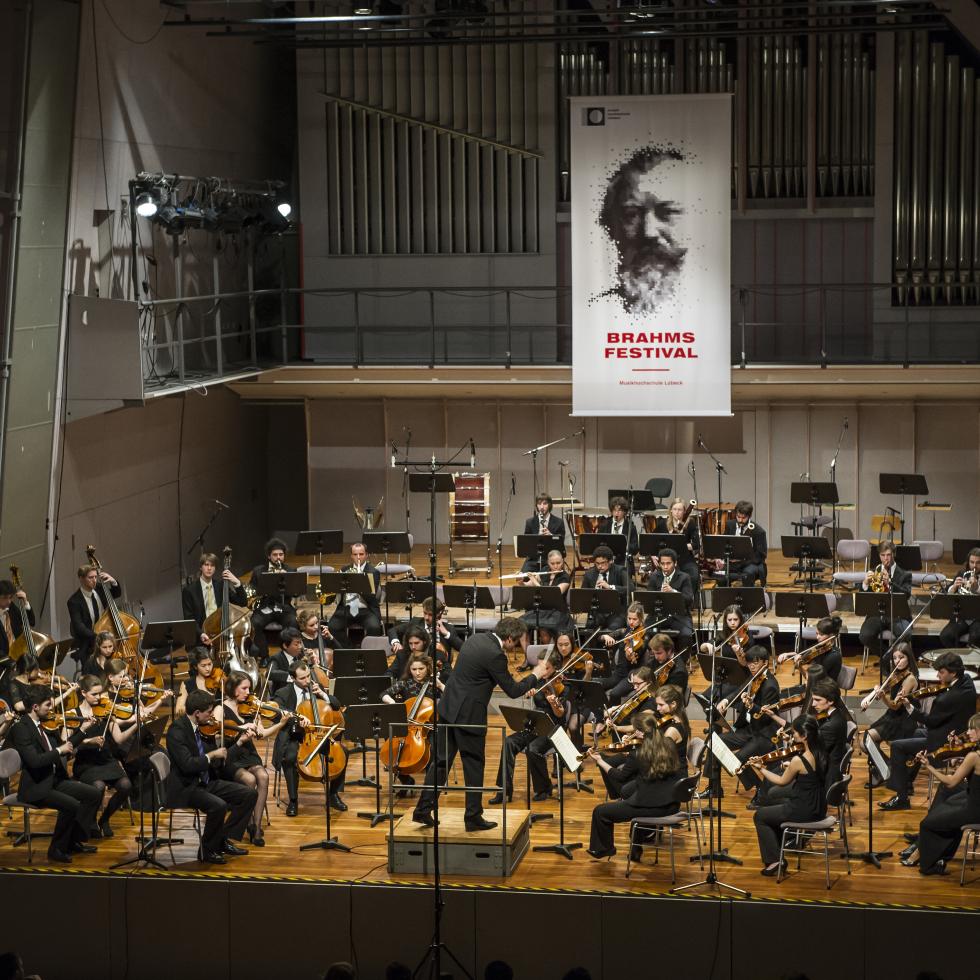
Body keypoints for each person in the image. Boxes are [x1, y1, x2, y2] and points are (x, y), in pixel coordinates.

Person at [412, 617, 549, 832]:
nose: (516, 647)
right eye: (516, 642)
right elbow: (513, 691)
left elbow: (488, 675)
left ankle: (422, 809)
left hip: (448, 709)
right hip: (468, 717)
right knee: (474, 765)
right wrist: (536, 674)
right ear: (509, 638)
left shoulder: (476, 639)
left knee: (440, 763)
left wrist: (521, 682)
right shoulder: (495, 654)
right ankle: (473, 817)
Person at [10, 685, 102, 863]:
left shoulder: (43, 725)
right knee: (72, 805)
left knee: (93, 794)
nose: (52, 709)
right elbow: (35, 761)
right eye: (48, 705)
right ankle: (56, 849)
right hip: (36, 787)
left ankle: (71, 840)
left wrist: (83, 730)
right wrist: (59, 750)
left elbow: (66, 748)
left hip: (54, 780)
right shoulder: (22, 728)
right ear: (35, 707)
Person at [164, 688, 257, 863]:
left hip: (205, 782)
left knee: (249, 794)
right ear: (197, 713)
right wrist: (211, 755)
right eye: (209, 713)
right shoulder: (176, 732)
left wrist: (237, 744)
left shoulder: (201, 727)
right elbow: (187, 765)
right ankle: (206, 851)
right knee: (219, 805)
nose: (212, 716)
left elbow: (216, 763)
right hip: (187, 787)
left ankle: (221, 840)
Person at [595, 144, 687, 314]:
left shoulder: (710, 305)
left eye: (667, 212)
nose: (649, 232)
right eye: (631, 214)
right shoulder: (596, 310)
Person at [879, 651, 977, 811]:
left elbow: (930, 723)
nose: (938, 676)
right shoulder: (966, 681)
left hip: (946, 742)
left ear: (953, 673)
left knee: (897, 746)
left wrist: (909, 706)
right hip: (951, 729)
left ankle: (901, 797)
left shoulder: (949, 698)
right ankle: (907, 782)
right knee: (916, 733)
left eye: (942, 672)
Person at [586, 716, 682, 859]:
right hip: (672, 803)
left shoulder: (638, 753)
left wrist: (600, 761)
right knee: (628, 792)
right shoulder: (668, 744)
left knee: (600, 812)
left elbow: (620, 777)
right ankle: (636, 850)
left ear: (640, 733)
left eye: (636, 731)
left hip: (653, 806)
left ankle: (604, 849)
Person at [216, 670, 291, 846]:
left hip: (248, 754)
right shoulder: (220, 708)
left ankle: (256, 827)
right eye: (245, 688)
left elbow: (262, 734)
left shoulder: (251, 708)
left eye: (249, 688)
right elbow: (217, 737)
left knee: (263, 776)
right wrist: (241, 730)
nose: (249, 692)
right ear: (233, 689)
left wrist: (280, 724)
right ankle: (247, 822)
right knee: (249, 780)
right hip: (231, 754)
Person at [748, 715, 827, 876]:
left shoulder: (799, 760)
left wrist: (760, 768)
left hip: (803, 808)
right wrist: (790, 765)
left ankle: (776, 861)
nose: (793, 736)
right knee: (772, 812)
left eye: (795, 733)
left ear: (804, 736)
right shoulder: (821, 750)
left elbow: (781, 781)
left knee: (760, 816)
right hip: (818, 805)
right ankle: (778, 855)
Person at [273, 660, 347, 816]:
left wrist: (322, 694)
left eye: (308, 676)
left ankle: (333, 795)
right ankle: (293, 800)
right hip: (294, 735)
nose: (307, 680)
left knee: (343, 752)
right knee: (290, 756)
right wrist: (296, 718)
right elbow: (277, 712)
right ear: (293, 678)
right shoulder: (283, 693)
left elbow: (336, 705)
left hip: (317, 735)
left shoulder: (316, 687)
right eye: (302, 678)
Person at [489, 650, 564, 803]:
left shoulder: (562, 684)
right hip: (536, 725)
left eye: (547, 668)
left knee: (533, 749)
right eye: (540, 667)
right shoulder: (537, 681)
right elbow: (525, 698)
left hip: (552, 729)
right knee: (509, 742)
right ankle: (504, 789)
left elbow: (561, 715)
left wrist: (554, 704)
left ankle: (544, 787)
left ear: (555, 668)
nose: (543, 671)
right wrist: (528, 694)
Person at [72, 674, 138, 838]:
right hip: (86, 763)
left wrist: (137, 724)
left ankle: (105, 819)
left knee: (126, 786)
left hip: (106, 760)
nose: (99, 697)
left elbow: (119, 738)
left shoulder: (107, 710)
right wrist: (89, 741)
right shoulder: (74, 713)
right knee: (98, 786)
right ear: (83, 693)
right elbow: (69, 745)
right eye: (94, 694)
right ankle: (91, 821)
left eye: (100, 693)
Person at [914, 714, 980, 875]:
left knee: (927, 824)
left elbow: (951, 781)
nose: (968, 732)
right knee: (947, 801)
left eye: (973, 728)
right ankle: (942, 856)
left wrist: (928, 766)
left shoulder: (974, 757)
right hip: (974, 799)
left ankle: (929, 865)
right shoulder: (974, 753)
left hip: (974, 810)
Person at [713, 646, 780, 805]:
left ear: (765, 662)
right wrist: (726, 701)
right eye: (749, 662)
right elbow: (739, 690)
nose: (751, 666)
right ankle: (714, 788)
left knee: (738, 759)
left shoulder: (770, 685)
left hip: (764, 734)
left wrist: (751, 706)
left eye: (755, 663)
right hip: (749, 729)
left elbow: (766, 718)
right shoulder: (753, 677)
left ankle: (761, 789)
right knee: (715, 741)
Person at [860, 641, 919, 785]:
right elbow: (882, 688)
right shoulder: (896, 674)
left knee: (866, 741)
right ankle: (886, 768)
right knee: (865, 742)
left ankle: (885, 770)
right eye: (895, 658)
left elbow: (895, 706)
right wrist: (869, 697)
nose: (897, 661)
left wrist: (883, 697)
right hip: (892, 717)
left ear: (909, 658)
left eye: (901, 657)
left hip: (903, 720)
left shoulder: (910, 679)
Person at [182, 551, 246, 648]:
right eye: (206, 565)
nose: (209, 568)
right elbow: (189, 619)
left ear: (215, 568)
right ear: (201, 567)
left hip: (221, 634)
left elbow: (242, 602)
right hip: (201, 636)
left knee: (252, 649)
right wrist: (201, 634)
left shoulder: (221, 586)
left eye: (212, 565)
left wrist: (237, 582)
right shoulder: (189, 591)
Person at [858, 541, 912, 655]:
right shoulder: (874, 571)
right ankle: (887, 659)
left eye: (888, 555)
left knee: (906, 634)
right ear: (879, 555)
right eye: (883, 555)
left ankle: (896, 659)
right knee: (864, 636)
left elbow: (906, 594)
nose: (885, 558)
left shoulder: (904, 574)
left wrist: (890, 583)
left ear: (894, 554)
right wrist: (865, 583)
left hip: (897, 615)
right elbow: (864, 597)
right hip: (877, 614)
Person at [248, 538, 299, 659]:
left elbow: (296, 594)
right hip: (265, 606)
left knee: (292, 622)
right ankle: (264, 656)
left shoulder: (290, 570)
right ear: (269, 556)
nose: (278, 558)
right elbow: (252, 591)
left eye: (281, 554)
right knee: (254, 623)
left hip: (285, 607)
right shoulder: (259, 571)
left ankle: (288, 656)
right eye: (275, 555)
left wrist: (286, 579)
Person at [388, 597, 462, 676]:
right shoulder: (415, 622)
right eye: (425, 613)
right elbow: (393, 630)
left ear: (439, 614)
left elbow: (462, 647)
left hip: (439, 670)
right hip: (416, 668)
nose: (426, 618)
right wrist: (396, 643)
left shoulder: (448, 628)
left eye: (430, 614)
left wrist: (446, 633)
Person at [328, 542, 383, 646]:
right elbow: (338, 591)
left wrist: (358, 582)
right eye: (355, 554)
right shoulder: (344, 570)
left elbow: (371, 596)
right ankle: (349, 649)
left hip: (366, 610)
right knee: (332, 627)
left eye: (361, 554)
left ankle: (365, 650)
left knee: (374, 627)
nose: (358, 557)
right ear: (351, 556)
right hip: (346, 609)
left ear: (366, 555)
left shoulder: (373, 572)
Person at [66, 562, 123, 664]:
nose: (94, 580)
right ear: (81, 578)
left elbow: (116, 594)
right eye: (90, 577)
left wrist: (113, 582)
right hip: (89, 643)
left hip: (107, 640)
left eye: (96, 577)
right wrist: (98, 638)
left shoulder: (100, 589)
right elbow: (79, 627)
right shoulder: (74, 601)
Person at [519, 549, 572, 640]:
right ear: (548, 562)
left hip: (558, 611)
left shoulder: (565, 577)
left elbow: (551, 594)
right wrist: (521, 582)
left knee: (543, 628)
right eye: (552, 563)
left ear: (562, 561)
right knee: (521, 626)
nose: (556, 566)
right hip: (542, 609)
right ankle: (528, 654)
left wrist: (534, 580)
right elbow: (528, 585)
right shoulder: (544, 570)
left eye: (558, 563)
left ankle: (546, 654)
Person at [647, 548, 695, 640]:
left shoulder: (684, 577)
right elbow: (649, 599)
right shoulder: (654, 577)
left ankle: (682, 654)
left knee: (686, 635)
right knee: (645, 633)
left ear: (675, 563)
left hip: (679, 616)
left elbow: (689, 600)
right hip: (658, 615)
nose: (665, 567)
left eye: (668, 563)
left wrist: (673, 592)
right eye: (662, 564)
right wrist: (659, 595)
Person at [777, 615, 843, 682]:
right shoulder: (821, 648)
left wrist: (800, 667)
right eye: (817, 634)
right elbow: (802, 655)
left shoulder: (834, 656)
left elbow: (810, 680)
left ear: (831, 635)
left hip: (825, 690)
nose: (817, 637)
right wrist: (787, 654)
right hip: (815, 686)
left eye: (821, 634)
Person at [719, 501, 767, 587]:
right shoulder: (730, 525)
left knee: (747, 574)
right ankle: (726, 598)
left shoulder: (759, 531)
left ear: (749, 516)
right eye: (738, 517)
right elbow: (723, 544)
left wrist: (741, 561)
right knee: (721, 576)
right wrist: (721, 559)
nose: (740, 520)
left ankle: (748, 598)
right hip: (732, 563)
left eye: (744, 518)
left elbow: (761, 555)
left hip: (751, 563)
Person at [938, 548, 980, 648]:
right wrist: (954, 587)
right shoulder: (962, 573)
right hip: (962, 616)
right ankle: (957, 659)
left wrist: (976, 588)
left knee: (976, 637)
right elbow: (948, 592)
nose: (974, 566)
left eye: (978, 563)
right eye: (972, 562)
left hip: (978, 618)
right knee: (945, 636)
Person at [580, 546, 628, 632]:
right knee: (588, 630)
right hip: (597, 613)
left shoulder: (620, 571)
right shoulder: (589, 574)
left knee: (612, 629)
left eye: (603, 563)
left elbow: (629, 589)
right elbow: (583, 595)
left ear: (611, 561)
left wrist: (610, 587)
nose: (599, 566)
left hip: (616, 613)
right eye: (597, 563)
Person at [655, 496, 701, 585]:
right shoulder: (663, 523)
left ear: (684, 511)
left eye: (680, 510)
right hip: (667, 560)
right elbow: (652, 540)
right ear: (671, 510)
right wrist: (653, 556)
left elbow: (697, 544)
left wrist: (682, 545)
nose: (677, 512)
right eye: (675, 509)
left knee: (694, 575)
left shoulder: (690, 523)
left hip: (685, 558)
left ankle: (688, 597)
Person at [520, 493, 566, 572]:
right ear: (536, 505)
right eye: (539, 504)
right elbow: (527, 544)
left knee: (548, 578)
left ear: (549, 505)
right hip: (534, 558)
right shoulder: (530, 522)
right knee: (523, 577)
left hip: (551, 559)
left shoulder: (559, 522)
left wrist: (551, 536)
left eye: (545, 504)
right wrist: (537, 536)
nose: (542, 507)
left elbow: (561, 543)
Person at [175, 648, 222, 715]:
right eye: (203, 666)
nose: (208, 669)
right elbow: (178, 709)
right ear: (195, 666)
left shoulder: (219, 678)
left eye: (209, 664)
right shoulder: (188, 683)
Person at [599, 496, 640, 569]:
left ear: (624, 512)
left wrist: (623, 546)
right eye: (614, 510)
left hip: (623, 560)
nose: (616, 513)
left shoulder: (631, 527)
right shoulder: (604, 525)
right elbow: (598, 543)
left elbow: (635, 548)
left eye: (619, 510)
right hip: (606, 559)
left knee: (623, 574)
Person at [0, 579, 35, 662]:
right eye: (5, 598)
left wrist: (25, 601)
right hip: (4, 661)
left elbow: (31, 622)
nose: (8, 601)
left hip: (19, 657)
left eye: (11, 597)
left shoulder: (11, 608)